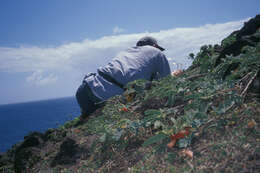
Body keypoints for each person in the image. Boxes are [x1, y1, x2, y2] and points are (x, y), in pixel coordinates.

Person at [76, 36, 175, 117]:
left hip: (84, 89)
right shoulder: (157, 52)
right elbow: (166, 81)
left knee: (87, 121)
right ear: (154, 45)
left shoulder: (127, 51)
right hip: (108, 98)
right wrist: (175, 75)